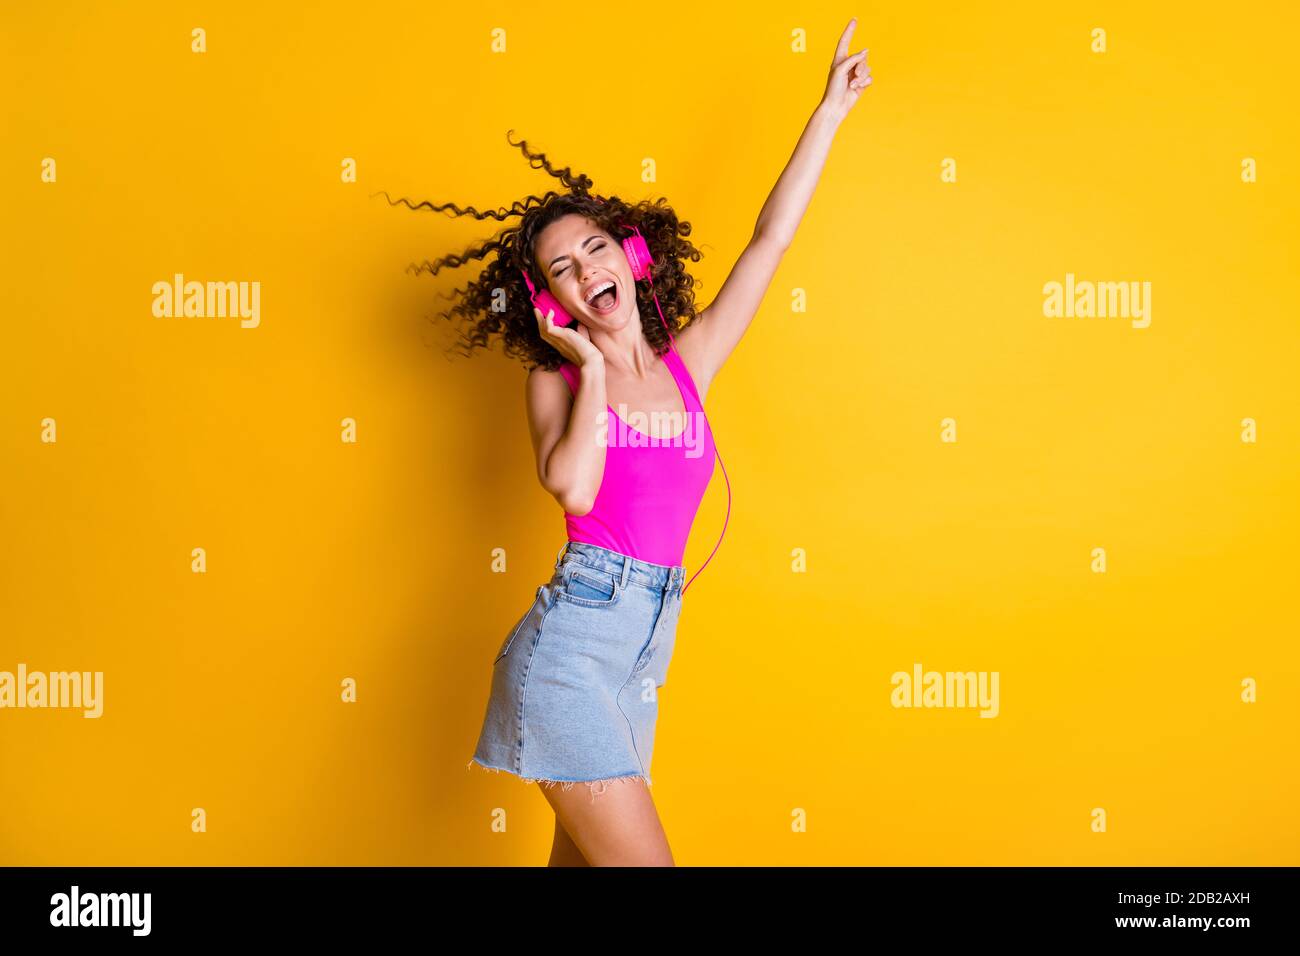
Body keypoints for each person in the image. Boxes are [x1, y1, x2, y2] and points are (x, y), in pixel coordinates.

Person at [379, 18, 871, 866]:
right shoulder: (557, 383)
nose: (582, 270)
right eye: (560, 269)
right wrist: (592, 370)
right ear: (551, 301)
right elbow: (570, 489)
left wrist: (828, 112)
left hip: (642, 658)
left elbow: (770, 241)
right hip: (571, 650)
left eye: (594, 249)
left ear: (634, 257)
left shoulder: (692, 364)